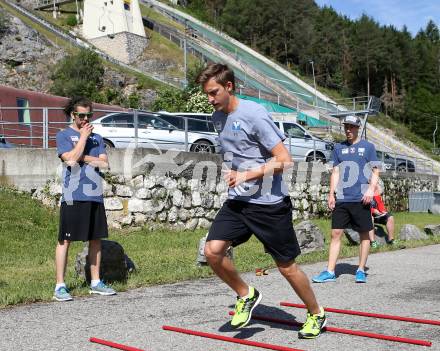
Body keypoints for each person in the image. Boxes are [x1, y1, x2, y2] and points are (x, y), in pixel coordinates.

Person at [196, 63, 326, 339]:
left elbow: (285, 160)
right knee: (212, 251)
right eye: (207, 93)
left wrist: (246, 174)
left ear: (229, 87)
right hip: (238, 202)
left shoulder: (255, 114)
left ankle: (316, 313)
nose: (210, 99)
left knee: (286, 267)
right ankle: (246, 293)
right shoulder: (217, 117)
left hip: (269, 204)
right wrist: (232, 173)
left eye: (213, 92)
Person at [54, 96, 116, 301]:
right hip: (73, 195)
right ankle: (60, 286)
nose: (86, 119)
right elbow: (70, 160)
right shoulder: (63, 135)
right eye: (82, 115)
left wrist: (82, 156)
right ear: (73, 115)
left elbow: (104, 164)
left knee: (95, 239)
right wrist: (82, 139)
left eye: (90, 115)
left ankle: (96, 282)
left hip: (94, 195)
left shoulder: (97, 138)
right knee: (65, 240)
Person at [312, 115, 379, 284]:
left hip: (361, 198)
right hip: (342, 198)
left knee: (364, 234)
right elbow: (335, 172)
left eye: (351, 127)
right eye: (346, 127)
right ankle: (330, 271)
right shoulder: (338, 148)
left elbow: (376, 170)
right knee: (336, 233)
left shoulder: (368, 147)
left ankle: (361, 270)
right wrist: (331, 194)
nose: (348, 130)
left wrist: (371, 190)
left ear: (358, 128)